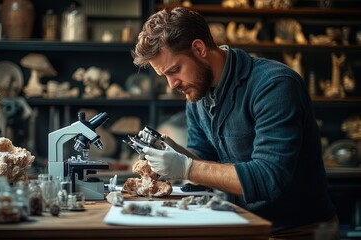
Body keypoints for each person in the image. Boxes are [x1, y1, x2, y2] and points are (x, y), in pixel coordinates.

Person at [132, 7, 339, 240]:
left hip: (297, 230)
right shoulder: (197, 92)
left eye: (175, 70)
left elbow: (269, 178)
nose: (172, 84)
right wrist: (166, 160)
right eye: (165, 76)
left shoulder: (274, 86)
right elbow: (203, 158)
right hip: (240, 223)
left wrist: (185, 167)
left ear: (199, 49)